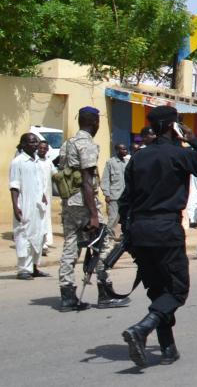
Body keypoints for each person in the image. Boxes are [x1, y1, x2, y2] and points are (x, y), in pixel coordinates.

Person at [119, 106, 197, 367]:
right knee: (176, 290)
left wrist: (127, 233)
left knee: (158, 291)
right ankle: (142, 329)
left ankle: (168, 348)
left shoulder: (138, 158)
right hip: (165, 230)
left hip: (139, 232)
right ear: (173, 126)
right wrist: (194, 141)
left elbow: (124, 201)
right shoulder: (180, 154)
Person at [57, 106, 128, 311]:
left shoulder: (68, 143)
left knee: (70, 246)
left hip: (69, 203)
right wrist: (94, 215)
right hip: (85, 205)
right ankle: (104, 292)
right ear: (95, 123)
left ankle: (67, 295)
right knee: (103, 243)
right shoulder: (86, 144)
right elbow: (87, 181)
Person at [10, 133, 48, 279]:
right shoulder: (18, 162)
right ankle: (23, 270)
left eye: (36, 142)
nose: (35, 145)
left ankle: (34, 267)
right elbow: (14, 186)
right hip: (25, 204)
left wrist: (43, 195)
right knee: (24, 235)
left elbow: (40, 182)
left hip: (38, 205)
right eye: (32, 142)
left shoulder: (38, 161)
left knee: (38, 235)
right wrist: (15, 206)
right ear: (23, 144)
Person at [100, 143, 130, 239]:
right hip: (115, 196)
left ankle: (124, 235)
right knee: (114, 218)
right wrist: (107, 194)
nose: (125, 151)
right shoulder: (110, 163)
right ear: (117, 150)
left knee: (126, 217)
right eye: (123, 149)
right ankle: (107, 236)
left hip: (126, 196)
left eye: (126, 149)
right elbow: (105, 179)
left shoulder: (127, 162)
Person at [36, 139, 55, 253]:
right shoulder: (34, 161)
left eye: (45, 148)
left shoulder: (48, 161)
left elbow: (55, 174)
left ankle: (45, 242)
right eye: (41, 148)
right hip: (37, 195)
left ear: (47, 150)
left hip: (47, 196)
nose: (42, 150)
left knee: (46, 218)